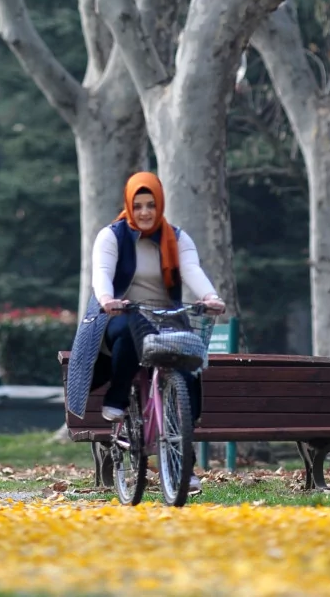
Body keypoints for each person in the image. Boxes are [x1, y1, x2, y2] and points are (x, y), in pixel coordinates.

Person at [66, 172, 225, 495]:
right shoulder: (112, 236)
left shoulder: (176, 238)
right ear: (128, 205)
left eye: (151, 205)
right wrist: (107, 299)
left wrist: (209, 297)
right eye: (138, 205)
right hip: (120, 314)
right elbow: (102, 273)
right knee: (128, 332)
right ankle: (117, 396)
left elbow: (191, 270)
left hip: (166, 318)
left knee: (188, 362)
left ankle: (184, 464)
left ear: (160, 204)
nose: (144, 212)